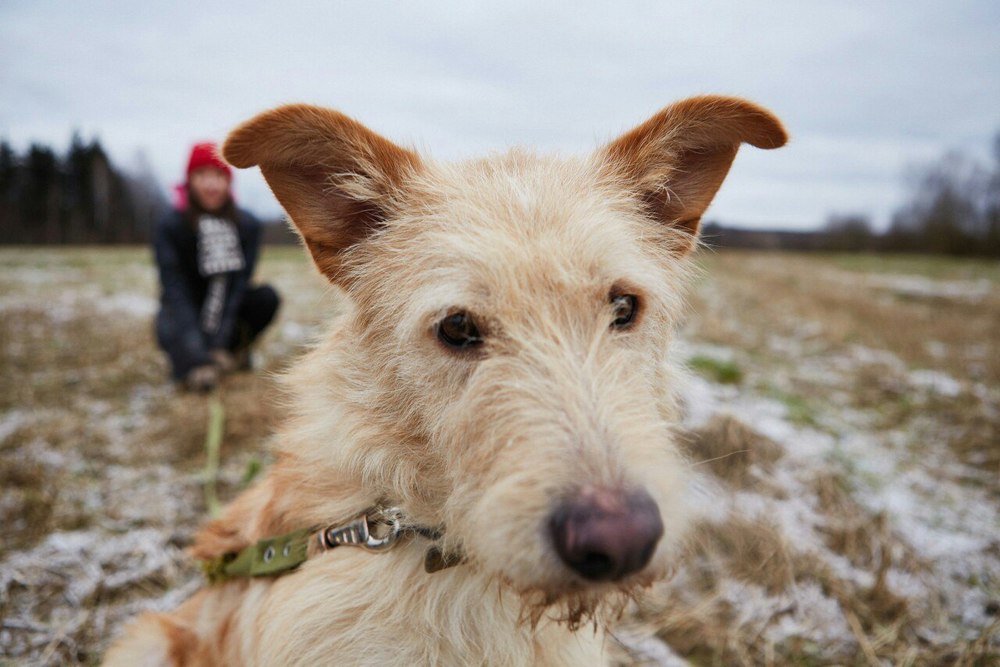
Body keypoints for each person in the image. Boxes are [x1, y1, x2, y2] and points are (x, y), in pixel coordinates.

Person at [154, 142, 280, 391]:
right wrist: (198, 353)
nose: (211, 185)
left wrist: (220, 344)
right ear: (190, 180)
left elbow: (238, 287)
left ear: (228, 181)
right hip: (186, 312)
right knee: (166, 321)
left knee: (266, 297)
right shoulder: (170, 226)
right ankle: (194, 362)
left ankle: (234, 352)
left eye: (219, 176)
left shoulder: (247, 226)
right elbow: (175, 289)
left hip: (226, 313)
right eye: (202, 175)